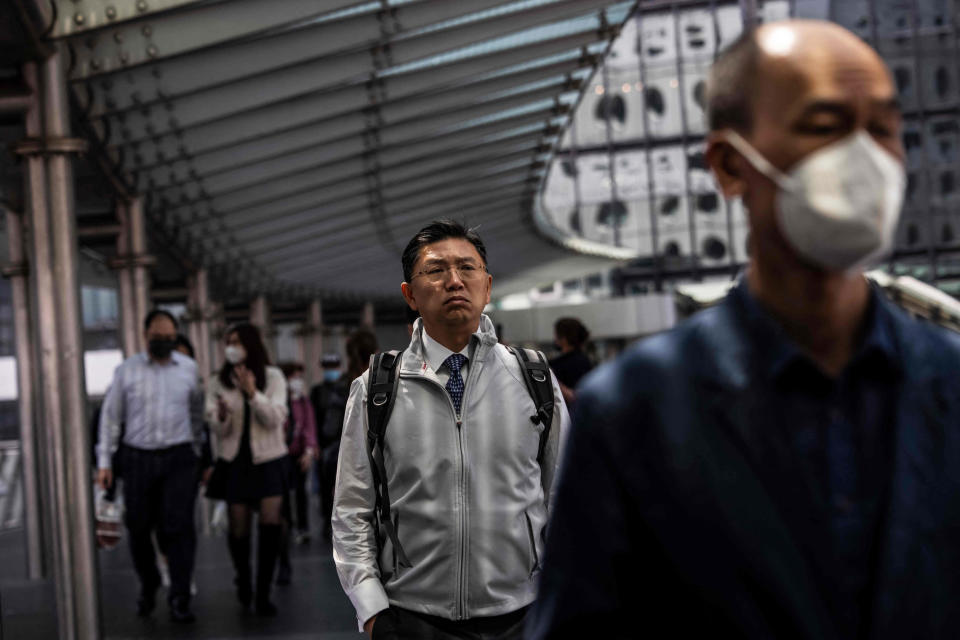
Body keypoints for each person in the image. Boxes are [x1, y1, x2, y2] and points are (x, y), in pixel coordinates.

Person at [527, 20, 960, 640]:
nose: (866, 158)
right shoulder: (634, 414)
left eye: (885, 129)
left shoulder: (950, 382)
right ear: (731, 166)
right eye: (824, 126)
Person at [333, 219, 570, 639]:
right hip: (413, 617)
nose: (454, 281)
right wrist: (373, 613)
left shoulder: (532, 378)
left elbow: (568, 498)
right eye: (436, 270)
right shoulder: (376, 389)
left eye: (468, 268)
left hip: (522, 612)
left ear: (488, 286)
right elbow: (352, 511)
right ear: (410, 295)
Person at [96, 310, 204, 623]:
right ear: (146, 336)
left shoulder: (188, 369)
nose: (164, 342)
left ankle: (180, 598)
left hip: (178, 457)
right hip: (138, 457)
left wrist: (198, 454)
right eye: (158, 337)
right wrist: (105, 461)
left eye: (169, 337)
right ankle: (150, 582)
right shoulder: (127, 371)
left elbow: (197, 414)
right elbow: (110, 417)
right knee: (138, 527)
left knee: (179, 528)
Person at [204, 323, 289, 616]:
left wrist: (253, 393)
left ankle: (263, 591)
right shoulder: (218, 380)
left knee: (270, 524)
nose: (232, 347)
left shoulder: (274, 376)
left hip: (268, 459)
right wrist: (222, 416)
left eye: (237, 342)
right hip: (234, 461)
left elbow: (276, 418)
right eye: (228, 342)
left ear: (251, 345)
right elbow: (215, 424)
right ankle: (243, 578)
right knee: (238, 526)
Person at [276, 361, 318, 584]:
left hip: (298, 453)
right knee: (283, 494)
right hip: (281, 454)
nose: (298, 381)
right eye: (294, 376)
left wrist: (309, 451)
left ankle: (302, 526)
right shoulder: (280, 400)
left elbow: (309, 426)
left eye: (300, 377)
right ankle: (287, 525)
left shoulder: (304, 402)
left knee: (300, 491)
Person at [548, 317, 593, 407]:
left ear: (563, 338)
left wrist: (553, 381)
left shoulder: (577, 362)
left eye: (556, 334)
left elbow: (577, 397)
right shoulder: (584, 360)